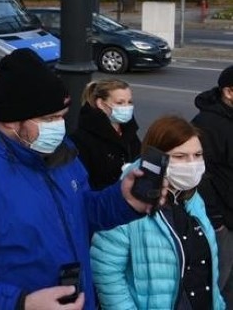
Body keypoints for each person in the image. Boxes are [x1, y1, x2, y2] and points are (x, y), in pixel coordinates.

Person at [0, 48, 161, 309]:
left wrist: (124, 200)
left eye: (61, 117)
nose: (58, 127)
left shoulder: (56, 152)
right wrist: (20, 303)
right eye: (48, 119)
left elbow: (80, 212)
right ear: (10, 121)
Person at [91, 115, 226, 309]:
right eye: (180, 156)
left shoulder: (193, 198)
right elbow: (106, 270)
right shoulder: (128, 201)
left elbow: (204, 269)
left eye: (198, 155)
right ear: (156, 157)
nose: (192, 163)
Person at [192, 64, 233, 306]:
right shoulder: (207, 123)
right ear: (229, 92)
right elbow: (200, 175)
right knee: (219, 279)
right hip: (224, 222)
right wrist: (216, 220)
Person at [72, 79, 141, 191]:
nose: (127, 107)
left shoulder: (129, 131)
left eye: (129, 102)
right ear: (101, 104)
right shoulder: (82, 139)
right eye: (120, 102)